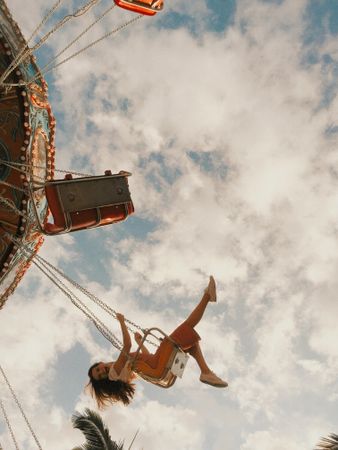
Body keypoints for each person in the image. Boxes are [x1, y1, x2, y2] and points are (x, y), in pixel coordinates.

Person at [87, 276, 228, 409]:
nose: (101, 371)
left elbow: (147, 362)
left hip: (159, 367)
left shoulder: (122, 373)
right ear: (103, 381)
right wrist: (122, 322)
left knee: (190, 343)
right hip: (159, 365)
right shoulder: (114, 374)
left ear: (99, 363)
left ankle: (205, 372)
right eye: (100, 376)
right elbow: (127, 346)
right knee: (187, 326)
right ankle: (207, 296)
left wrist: (139, 342)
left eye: (97, 369)